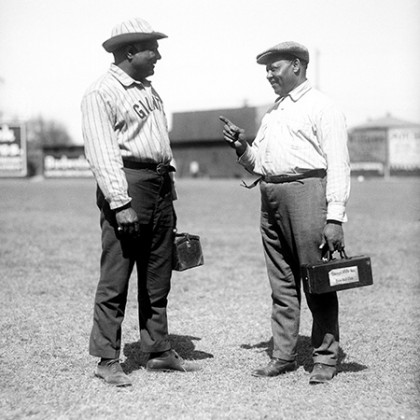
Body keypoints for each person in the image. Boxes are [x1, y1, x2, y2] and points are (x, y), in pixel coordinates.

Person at [220, 41, 350, 384]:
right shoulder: (274, 111)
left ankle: (325, 358)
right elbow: (259, 162)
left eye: (273, 67)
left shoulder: (323, 107)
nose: (268, 74)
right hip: (271, 195)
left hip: (306, 194)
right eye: (266, 69)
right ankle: (284, 355)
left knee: (318, 281)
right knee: (281, 282)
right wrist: (241, 146)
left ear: (296, 65)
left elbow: (339, 165)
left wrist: (334, 218)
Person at [81, 17, 188, 387]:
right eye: (151, 48)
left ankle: (157, 350)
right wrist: (120, 201)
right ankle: (107, 358)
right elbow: (102, 152)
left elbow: (160, 143)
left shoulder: (148, 90)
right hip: (128, 182)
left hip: (157, 182)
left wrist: (168, 188)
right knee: (116, 276)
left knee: (158, 273)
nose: (157, 55)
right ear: (129, 52)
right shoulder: (101, 92)